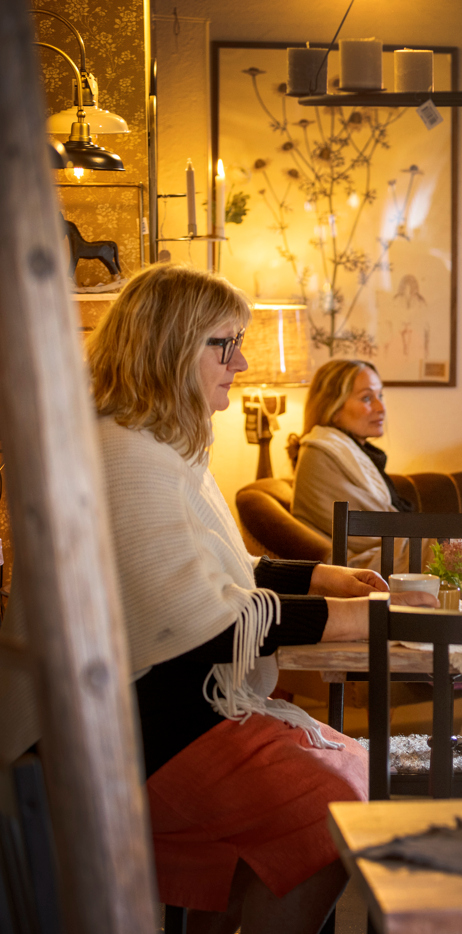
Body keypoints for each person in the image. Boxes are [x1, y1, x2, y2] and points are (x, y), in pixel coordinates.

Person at [85, 265, 435, 933]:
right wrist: (350, 619)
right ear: (169, 345)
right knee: (339, 803)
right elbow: (198, 619)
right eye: (224, 344)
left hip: (186, 704)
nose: (240, 363)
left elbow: (218, 570)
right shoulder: (127, 456)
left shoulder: (159, 444)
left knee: (355, 773)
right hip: (146, 728)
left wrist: (318, 577)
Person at [289, 359, 411, 572]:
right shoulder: (319, 456)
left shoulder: (361, 453)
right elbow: (368, 534)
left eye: (380, 396)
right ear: (333, 408)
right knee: (459, 551)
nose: (381, 408)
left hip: (384, 556)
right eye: (367, 398)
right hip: (359, 570)